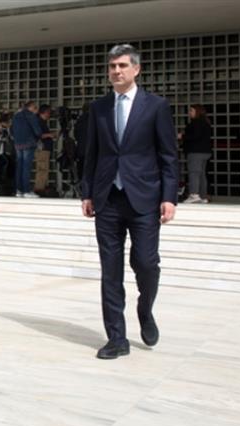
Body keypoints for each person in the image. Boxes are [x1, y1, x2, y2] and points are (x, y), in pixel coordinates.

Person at [80, 44, 178, 360]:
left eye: (122, 65)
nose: (116, 71)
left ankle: (145, 309)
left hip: (144, 197)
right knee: (110, 271)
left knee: (146, 263)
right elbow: (92, 153)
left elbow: (168, 155)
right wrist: (87, 192)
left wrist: (169, 197)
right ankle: (116, 338)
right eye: (112, 66)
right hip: (107, 198)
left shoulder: (156, 106)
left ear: (136, 69)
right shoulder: (99, 108)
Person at [10, 100, 44, 197]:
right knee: (26, 167)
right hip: (28, 143)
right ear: (31, 107)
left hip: (18, 144)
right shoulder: (31, 116)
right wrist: (37, 138)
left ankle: (18, 190)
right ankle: (26, 190)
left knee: (19, 167)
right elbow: (37, 131)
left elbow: (11, 130)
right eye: (35, 107)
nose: (36, 110)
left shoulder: (16, 116)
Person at [180, 104, 213, 203]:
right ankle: (203, 196)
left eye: (191, 110)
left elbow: (194, 136)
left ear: (197, 112)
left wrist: (182, 136)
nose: (189, 112)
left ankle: (194, 194)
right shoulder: (206, 122)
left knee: (194, 173)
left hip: (195, 151)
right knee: (202, 174)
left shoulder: (196, 123)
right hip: (205, 151)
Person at [0, 111, 14, 195]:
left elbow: (12, 136)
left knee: (10, 170)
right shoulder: (0, 126)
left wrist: (8, 126)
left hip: (10, 151)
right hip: (1, 151)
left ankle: (9, 188)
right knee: (0, 169)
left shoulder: (12, 126)